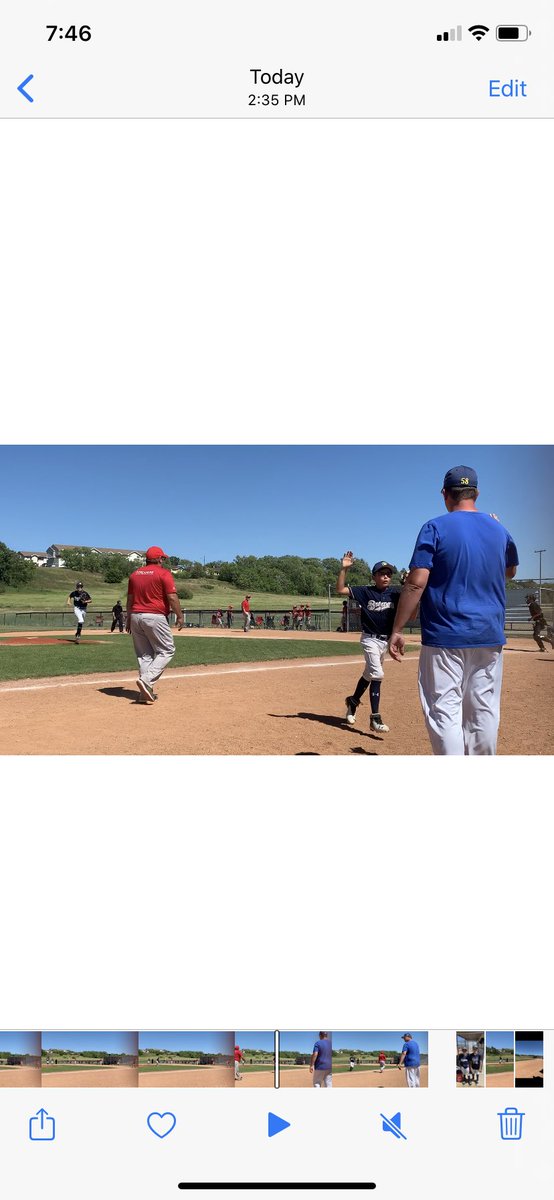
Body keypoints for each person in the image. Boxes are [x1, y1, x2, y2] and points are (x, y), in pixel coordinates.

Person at [389, 466, 519, 755]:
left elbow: (415, 583)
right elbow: (508, 571)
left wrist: (397, 629)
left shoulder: (434, 527)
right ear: (477, 493)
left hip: (445, 636)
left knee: (444, 711)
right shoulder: (499, 528)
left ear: (445, 494)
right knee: (483, 710)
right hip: (489, 633)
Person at [337, 554, 401, 734]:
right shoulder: (365, 591)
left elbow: (413, 598)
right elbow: (340, 589)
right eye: (381, 573)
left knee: (368, 674)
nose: (386, 576)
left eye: (389, 573)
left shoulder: (395, 594)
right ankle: (375, 718)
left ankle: (353, 701)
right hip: (369, 639)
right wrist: (344, 568)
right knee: (378, 673)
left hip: (384, 641)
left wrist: (409, 582)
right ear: (374, 577)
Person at [126, 546, 184, 703]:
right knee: (167, 650)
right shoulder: (164, 573)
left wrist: (128, 618)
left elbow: (130, 599)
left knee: (144, 655)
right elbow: (172, 597)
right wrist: (179, 615)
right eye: (162, 558)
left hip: (136, 616)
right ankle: (146, 681)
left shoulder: (135, 574)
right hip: (154, 616)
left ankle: (145, 692)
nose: (163, 560)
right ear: (159, 559)